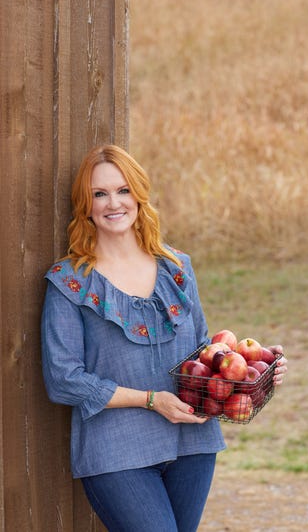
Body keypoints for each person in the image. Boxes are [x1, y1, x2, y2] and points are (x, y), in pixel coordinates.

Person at [41, 144, 288, 532]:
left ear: (139, 196)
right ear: (85, 205)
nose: (113, 203)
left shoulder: (177, 267)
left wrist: (253, 371)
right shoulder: (70, 281)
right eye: (99, 194)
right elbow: (63, 379)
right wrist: (152, 401)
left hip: (193, 443)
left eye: (123, 190)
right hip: (117, 451)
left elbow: (204, 351)